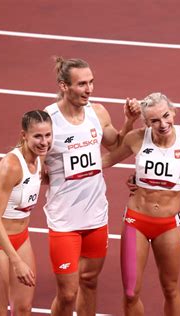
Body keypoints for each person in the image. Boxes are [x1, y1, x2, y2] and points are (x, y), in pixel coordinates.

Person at [102, 92, 180, 315]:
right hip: (136, 221)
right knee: (130, 292)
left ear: (173, 112)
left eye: (166, 116)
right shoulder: (136, 138)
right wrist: (63, 168)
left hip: (168, 225)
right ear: (146, 122)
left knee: (171, 289)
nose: (163, 124)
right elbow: (107, 160)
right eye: (154, 120)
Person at [43, 57, 140, 316]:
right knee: (67, 293)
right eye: (82, 84)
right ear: (64, 86)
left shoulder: (97, 112)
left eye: (91, 82)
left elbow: (116, 145)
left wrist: (129, 122)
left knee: (89, 281)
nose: (89, 89)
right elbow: (30, 159)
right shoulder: (48, 120)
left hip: (96, 215)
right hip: (64, 219)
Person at [0, 110, 52, 315]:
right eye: (37, 136)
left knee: (23, 308)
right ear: (24, 136)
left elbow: (39, 181)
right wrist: (16, 262)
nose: (44, 142)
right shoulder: (11, 166)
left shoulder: (39, 158)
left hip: (21, 238)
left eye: (48, 135)